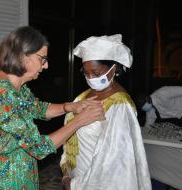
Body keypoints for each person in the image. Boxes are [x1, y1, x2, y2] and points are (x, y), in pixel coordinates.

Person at [0, 26, 104, 190]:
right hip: (5, 179)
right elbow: (39, 147)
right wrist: (79, 121)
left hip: (19, 172)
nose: (46, 66)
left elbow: (36, 108)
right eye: (42, 59)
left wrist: (70, 106)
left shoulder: (12, 84)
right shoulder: (3, 96)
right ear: (24, 56)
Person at [60, 34, 152, 190]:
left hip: (94, 183)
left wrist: (75, 185)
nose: (90, 78)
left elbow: (112, 162)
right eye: (86, 73)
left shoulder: (120, 106)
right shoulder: (83, 96)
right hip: (76, 173)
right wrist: (66, 170)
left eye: (96, 73)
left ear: (113, 68)